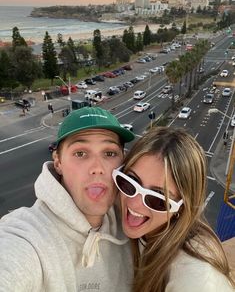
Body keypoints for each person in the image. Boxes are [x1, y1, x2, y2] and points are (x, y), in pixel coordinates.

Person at [0, 107, 135, 291]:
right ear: (58, 162)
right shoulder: (28, 236)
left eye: (109, 153)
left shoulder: (134, 221)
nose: (97, 168)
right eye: (80, 153)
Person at [112, 126, 235, 292]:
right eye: (129, 182)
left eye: (158, 199)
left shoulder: (197, 276)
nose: (135, 203)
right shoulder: (118, 216)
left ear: (182, 207)